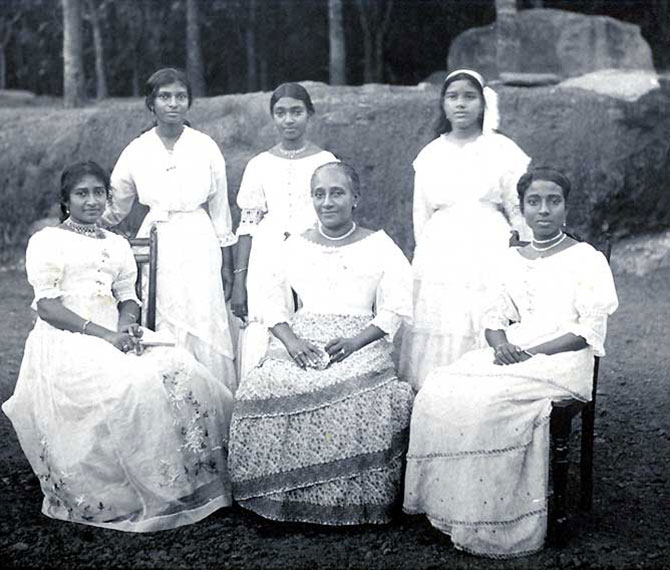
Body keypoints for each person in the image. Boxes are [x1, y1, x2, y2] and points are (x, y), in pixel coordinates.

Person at [2, 161, 235, 532]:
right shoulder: (47, 241)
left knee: (180, 367)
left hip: (113, 332)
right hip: (65, 340)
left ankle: (186, 479)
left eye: (99, 193)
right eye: (82, 194)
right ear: (65, 201)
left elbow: (128, 296)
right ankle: (120, 486)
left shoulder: (116, 243)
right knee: (131, 386)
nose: (92, 201)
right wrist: (105, 336)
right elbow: (47, 307)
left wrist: (127, 326)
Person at [403, 167, 618, 558]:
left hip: (563, 356)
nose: (544, 210)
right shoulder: (510, 258)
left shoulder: (586, 258)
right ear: (522, 209)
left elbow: (587, 332)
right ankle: (454, 510)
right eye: (534, 202)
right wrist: (500, 344)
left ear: (565, 207)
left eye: (553, 201)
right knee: (439, 387)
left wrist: (533, 353)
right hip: (517, 348)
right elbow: (493, 318)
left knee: (489, 403)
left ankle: (497, 518)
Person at [228, 163, 414, 525]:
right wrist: (292, 341)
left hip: (359, 337)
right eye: (320, 194)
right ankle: (276, 497)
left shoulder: (380, 244)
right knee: (267, 383)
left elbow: (396, 306)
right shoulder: (294, 245)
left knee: (360, 390)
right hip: (302, 333)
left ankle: (349, 504)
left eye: (337, 193)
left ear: (355, 198)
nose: (328, 202)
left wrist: (356, 342)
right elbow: (271, 299)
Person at [100, 67, 236, 392]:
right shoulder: (137, 150)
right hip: (158, 238)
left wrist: (228, 263)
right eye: (164, 97)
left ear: (189, 102)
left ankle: (211, 398)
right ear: (151, 103)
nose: (173, 104)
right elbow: (116, 206)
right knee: (160, 311)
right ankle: (167, 400)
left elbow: (220, 211)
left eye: (180, 96)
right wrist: (80, 230)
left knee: (203, 312)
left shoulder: (205, 146)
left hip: (199, 238)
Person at [400, 68, 532, 390]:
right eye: (453, 97)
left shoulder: (502, 150)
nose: (461, 104)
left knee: (484, 312)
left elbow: (518, 206)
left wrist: (526, 249)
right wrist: (425, 255)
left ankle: (484, 399)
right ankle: (434, 399)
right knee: (441, 319)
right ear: (443, 104)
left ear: (483, 102)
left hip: (488, 242)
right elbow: (421, 213)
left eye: (469, 97)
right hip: (440, 249)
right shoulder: (430, 154)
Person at [230, 83, 337, 378]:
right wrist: (239, 283)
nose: (288, 119)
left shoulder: (326, 161)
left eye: (296, 112)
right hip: (267, 255)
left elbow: (335, 217)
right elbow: (248, 225)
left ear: (309, 114)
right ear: (273, 117)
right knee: (266, 321)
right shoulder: (259, 164)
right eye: (281, 113)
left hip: (313, 252)